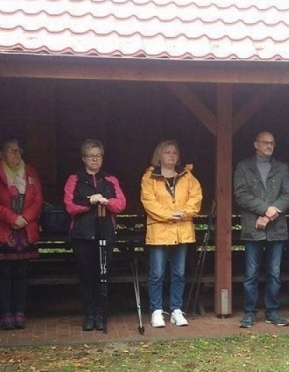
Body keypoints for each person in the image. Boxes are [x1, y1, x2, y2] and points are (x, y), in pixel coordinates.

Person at [63, 139, 126, 332]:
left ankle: (101, 313)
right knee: (87, 276)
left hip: (105, 233)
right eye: (91, 156)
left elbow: (121, 204)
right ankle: (89, 314)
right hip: (83, 235)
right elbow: (70, 205)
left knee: (102, 275)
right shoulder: (75, 179)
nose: (95, 159)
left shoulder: (110, 179)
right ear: (83, 158)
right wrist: (91, 201)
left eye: (98, 156)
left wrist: (106, 202)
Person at [234, 130, 289, 328]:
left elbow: (288, 194)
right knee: (251, 273)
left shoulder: (282, 167)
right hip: (253, 228)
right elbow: (241, 195)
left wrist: (269, 214)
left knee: (274, 273)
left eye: (272, 143)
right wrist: (265, 209)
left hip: (276, 228)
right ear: (256, 144)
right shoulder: (243, 167)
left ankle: (272, 312)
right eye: (266, 142)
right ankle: (250, 313)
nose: (269, 146)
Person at [0, 140, 43, 331]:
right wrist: (11, 218)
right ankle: (5, 313)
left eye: (19, 150)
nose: (16, 154)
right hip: (2, 231)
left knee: (22, 274)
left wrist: (25, 217)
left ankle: (20, 312)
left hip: (24, 230)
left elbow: (38, 199)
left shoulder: (30, 171)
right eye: (11, 150)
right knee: (4, 274)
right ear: (2, 154)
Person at [141, 140, 203, 328]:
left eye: (175, 152)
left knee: (179, 273)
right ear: (159, 156)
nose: (171, 155)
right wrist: (170, 215)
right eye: (167, 152)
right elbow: (149, 202)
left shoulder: (187, 176)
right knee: (157, 274)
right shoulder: (149, 177)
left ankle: (176, 309)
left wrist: (185, 212)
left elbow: (196, 197)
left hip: (181, 231)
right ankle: (157, 311)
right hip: (159, 232)